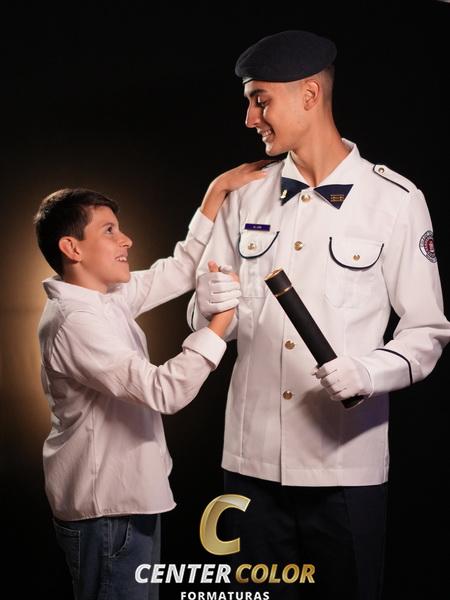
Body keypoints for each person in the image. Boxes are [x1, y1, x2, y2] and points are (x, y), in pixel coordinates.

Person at [187, 30, 450, 599]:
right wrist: (203, 305)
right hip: (250, 462)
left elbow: (427, 330)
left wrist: (371, 371)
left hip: (345, 463)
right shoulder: (243, 196)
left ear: (309, 94)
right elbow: (206, 322)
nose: (250, 118)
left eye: (260, 100)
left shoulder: (396, 200)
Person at [34, 161, 267, 600]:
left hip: (130, 500)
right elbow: (164, 391)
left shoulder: (106, 298)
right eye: (109, 231)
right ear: (72, 247)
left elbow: (179, 268)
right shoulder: (75, 320)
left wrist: (216, 192)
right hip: (108, 511)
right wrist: (220, 324)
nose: (126, 240)